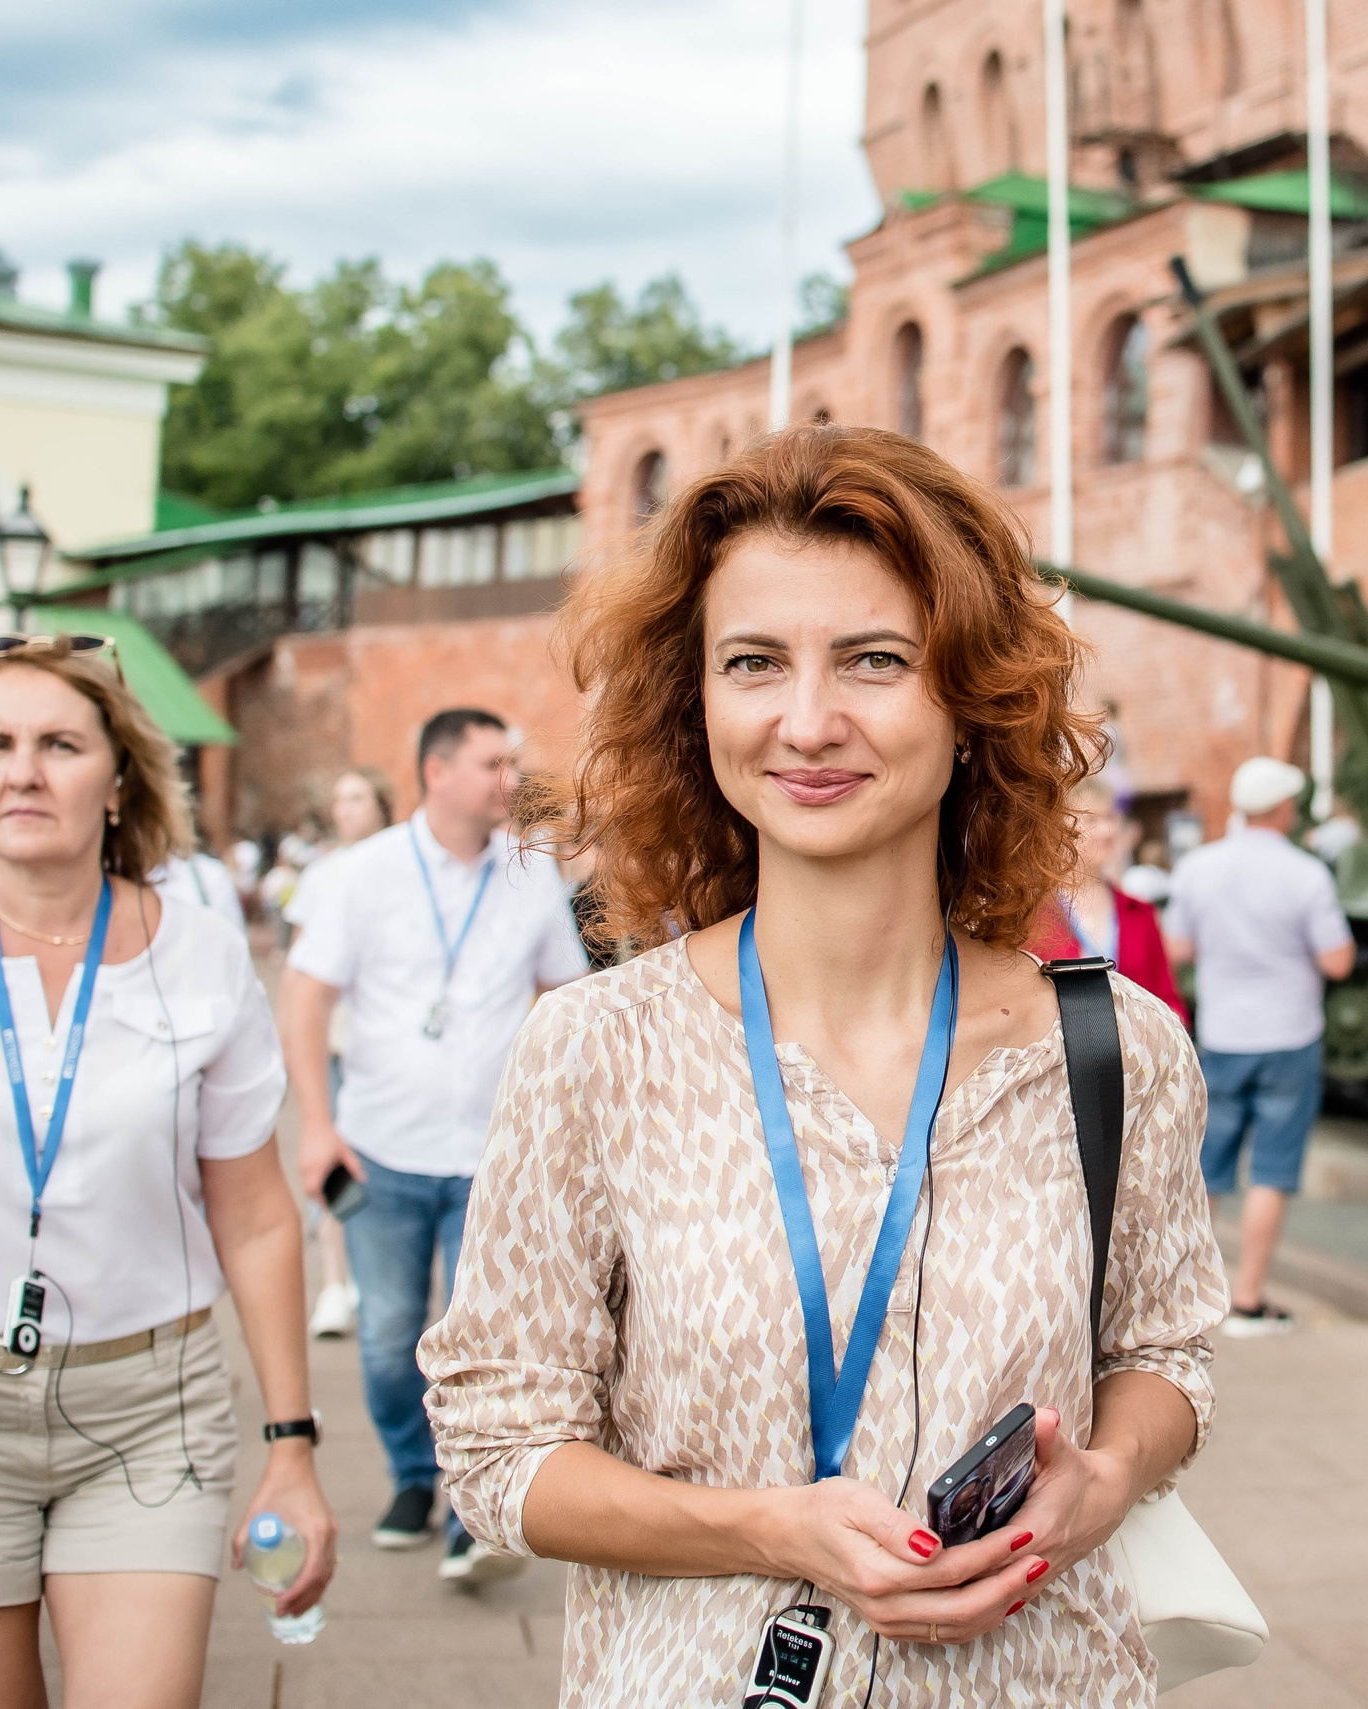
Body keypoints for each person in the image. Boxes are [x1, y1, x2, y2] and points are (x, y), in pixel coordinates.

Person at [422, 426, 1228, 1702]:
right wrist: (766, 1526)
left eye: (874, 661)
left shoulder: (1116, 1045)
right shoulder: (596, 1048)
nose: (807, 721)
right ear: (695, 704)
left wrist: (1110, 1475)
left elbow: (1168, 1354)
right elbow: (499, 1447)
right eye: (753, 662)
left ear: (970, 699)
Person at [0, 635, 333, 1708]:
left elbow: (258, 1213)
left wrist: (292, 1443)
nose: (23, 770)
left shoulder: (200, 953)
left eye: (58, 743)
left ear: (120, 776)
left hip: (146, 1407)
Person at [282, 710, 589, 1587]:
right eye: (494, 761)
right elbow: (305, 999)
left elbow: (562, 995)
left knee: (474, 1340)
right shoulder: (363, 874)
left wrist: (551, 1122)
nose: (510, 775)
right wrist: (315, 1122)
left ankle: (467, 1509)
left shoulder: (529, 876)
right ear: (437, 770)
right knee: (384, 1339)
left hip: (491, 1155)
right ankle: (411, 1476)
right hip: (382, 1144)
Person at [1165, 756, 1354, 1337]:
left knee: (1206, 1169)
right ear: (1283, 809)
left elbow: (1177, 948)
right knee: (1271, 1169)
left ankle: (1185, 1301)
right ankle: (1248, 1300)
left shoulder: (1199, 868)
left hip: (1222, 1033)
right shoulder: (1307, 874)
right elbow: (1337, 960)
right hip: (1288, 1035)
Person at [282, 766, 397, 1341]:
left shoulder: (408, 867)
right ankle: (334, 1281)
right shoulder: (324, 875)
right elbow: (299, 970)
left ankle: (385, 1278)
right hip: (338, 1039)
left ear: (381, 804)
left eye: (357, 797)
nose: (346, 809)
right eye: (339, 800)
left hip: (391, 1044)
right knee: (336, 1161)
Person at [1029, 777, 1187, 1023]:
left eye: (1110, 818)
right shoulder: (1033, 915)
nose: (1107, 831)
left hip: (1136, 1057)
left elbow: (1169, 1001)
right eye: (1091, 820)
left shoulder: (1139, 913)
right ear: (1060, 830)